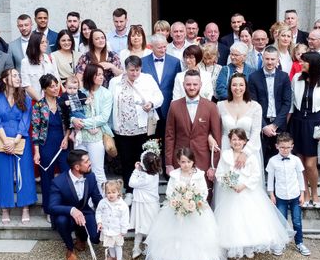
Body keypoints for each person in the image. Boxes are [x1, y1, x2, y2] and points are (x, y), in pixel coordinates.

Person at [145, 147, 228, 260]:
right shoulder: (174, 175)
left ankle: (196, 258)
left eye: (189, 162)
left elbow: (204, 191)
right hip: (176, 209)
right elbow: (169, 192)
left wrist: (195, 201)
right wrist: (178, 201)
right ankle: (173, 257)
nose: (186, 165)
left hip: (196, 208)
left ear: (193, 162)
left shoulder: (198, 175)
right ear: (178, 162)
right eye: (183, 162)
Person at [214, 128, 292, 258]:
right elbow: (220, 173)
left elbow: (255, 175)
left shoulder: (250, 156)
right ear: (229, 141)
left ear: (245, 141)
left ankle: (249, 246)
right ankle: (234, 246)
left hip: (247, 191)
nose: (237, 142)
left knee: (248, 218)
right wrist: (229, 184)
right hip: (230, 193)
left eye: (239, 139)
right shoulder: (225, 155)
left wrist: (243, 185)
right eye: (234, 139)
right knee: (232, 219)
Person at [109, 55, 163, 204]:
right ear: (125, 69)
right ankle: (130, 190)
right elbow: (110, 102)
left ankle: (146, 190)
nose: (134, 73)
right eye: (131, 70)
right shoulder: (115, 82)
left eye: (137, 70)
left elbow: (160, 97)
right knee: (127, 160)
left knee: (144, 158)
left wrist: (151, 104)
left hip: (143, 127)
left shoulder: (147, 79)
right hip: (122, 129)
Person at [0, 68, 37, 225]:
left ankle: (25, 207)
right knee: (4, 173)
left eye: (18, 75)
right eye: (14, 75)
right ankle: (5, 208)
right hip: (2, 139)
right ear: (5, 80)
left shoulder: (25, 98)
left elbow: (25, 121)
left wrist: (15, 141)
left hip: (20, 138)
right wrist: (6, 141)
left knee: (25, 172)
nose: (18, 78)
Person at [165, 70, 221, 193]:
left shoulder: (211, 106)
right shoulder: (174, 106)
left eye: (195, 84)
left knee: (204, 195)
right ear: (183, 84)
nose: (191, 87)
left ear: (200, 84)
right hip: (180, 159)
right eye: (188, 84)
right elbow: (170, 136)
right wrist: (168, 163)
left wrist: (214, 166)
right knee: (179, 194)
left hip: (203, 159)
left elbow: (217, 138)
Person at [288, 51, 320, 200]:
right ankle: (305, 192)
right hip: (297, 121)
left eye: (304, 62)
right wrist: (286, 125)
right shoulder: (296, 78)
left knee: (310, 163)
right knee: (300, 161)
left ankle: (315, 192)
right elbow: (291, 105)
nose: (300, 64)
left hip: (314, 123)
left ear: (313, 64)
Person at [48, 149, 103, 260]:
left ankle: (81, 237)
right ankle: (70, 249)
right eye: (87, 161)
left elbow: (97, 199)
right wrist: (71, 210)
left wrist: (109, 212)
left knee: (96, 238)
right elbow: (52, 207)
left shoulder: (91, 177)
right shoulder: (58, 182)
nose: (90, 163)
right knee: (61, 220)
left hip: (85, 211)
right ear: (77, 167)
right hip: (66, 215)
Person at [31, 74, 69, 220]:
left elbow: (69, 122)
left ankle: (66, 205)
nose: (55, 88)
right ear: (45, 89)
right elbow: (35, 129)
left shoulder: (62, 102)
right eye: (51, 86)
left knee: (66, 174)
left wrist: (66, 138)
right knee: (46, 178)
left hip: (63, 143)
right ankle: (48, 209)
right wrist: (37, 152)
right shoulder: (39, 106)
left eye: (56, 85)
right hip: (46, 145)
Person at [266, 132, 310, 256]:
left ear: (292, 146)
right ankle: (281, 242)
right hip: (280, 196)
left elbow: (301, 178)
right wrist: (271, 194)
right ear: (277, 146)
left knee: (297, 221)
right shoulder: (272, 161)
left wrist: (302, 194)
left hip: (295, 195)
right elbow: (270, 180)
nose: (285, 150)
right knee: (281, 221)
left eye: (287, 147)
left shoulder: (296, 160)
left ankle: (299, 243)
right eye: (282, 147)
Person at [71, 64, 113, 192]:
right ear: (90, 75)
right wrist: (73, 120)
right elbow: (71, 112)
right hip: (79, 137)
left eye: (102, 74)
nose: (101, 77)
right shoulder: (79, 92)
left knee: (97, 170)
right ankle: (84, 202)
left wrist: (83, 123)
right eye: (98, 74)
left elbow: (103, 118)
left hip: (96, 137)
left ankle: (103, 202)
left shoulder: (106, 93)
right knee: (79, 170)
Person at [248, 45, 292, 164]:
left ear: (278, 60)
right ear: (263, 58)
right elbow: (253, 103)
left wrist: (275, 125)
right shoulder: (253, 77)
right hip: (261, 123)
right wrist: (264, 126)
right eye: (267, 59)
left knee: (280, 157)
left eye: (273, 59)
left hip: (279, 123)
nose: (270, 62)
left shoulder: (284, 77)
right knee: (260, 158)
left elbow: (287, 102)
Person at [218, 73, 264, 179]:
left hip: (249, 148)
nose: (238, 88)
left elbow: (256, 132)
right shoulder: (220, 106)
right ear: (229, 87)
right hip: (226, 148)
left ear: (246, 86)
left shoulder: (255, 107)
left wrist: (245, 153)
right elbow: (215, 128)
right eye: (234, 85)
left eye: (241, 85)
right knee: (227, 179)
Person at [129, 142, 161, 259]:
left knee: (145, 227)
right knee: (141, 226)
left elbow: (131, 183)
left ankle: (147, 248)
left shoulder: (145, 178)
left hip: (145, 205)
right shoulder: (154, 173)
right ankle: (137, 248)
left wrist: (136, 170)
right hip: (145, 203)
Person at [141, 33, 182, 123]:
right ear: (151, 47)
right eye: (160, 47)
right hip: (149, 106)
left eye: (165, 46)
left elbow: (178, 85)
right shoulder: (142, 62)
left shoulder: (175, 62)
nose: (163, 50)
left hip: (168, 105)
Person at [95, 180, 130, 260]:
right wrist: (99, 222)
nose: (111, 195)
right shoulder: (103, 202)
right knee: (110, 244)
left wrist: (124, 230)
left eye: (113, 192)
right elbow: (98, 212)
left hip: (117, 230)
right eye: (108, 192)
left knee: (118, 245)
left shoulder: (122, 205)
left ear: (118, 192)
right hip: (106, 228)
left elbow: (125, 219)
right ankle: (112, 256)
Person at [21, 32, 60, 102]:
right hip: (35, 102)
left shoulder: (50, 58)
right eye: (42, 42)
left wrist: (54, 96)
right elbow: (27, 85)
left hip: (52, 100)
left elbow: (57, 79)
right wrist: (41, 101)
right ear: (35, 43)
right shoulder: (25, 62)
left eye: (46, 42)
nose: (45, 45)